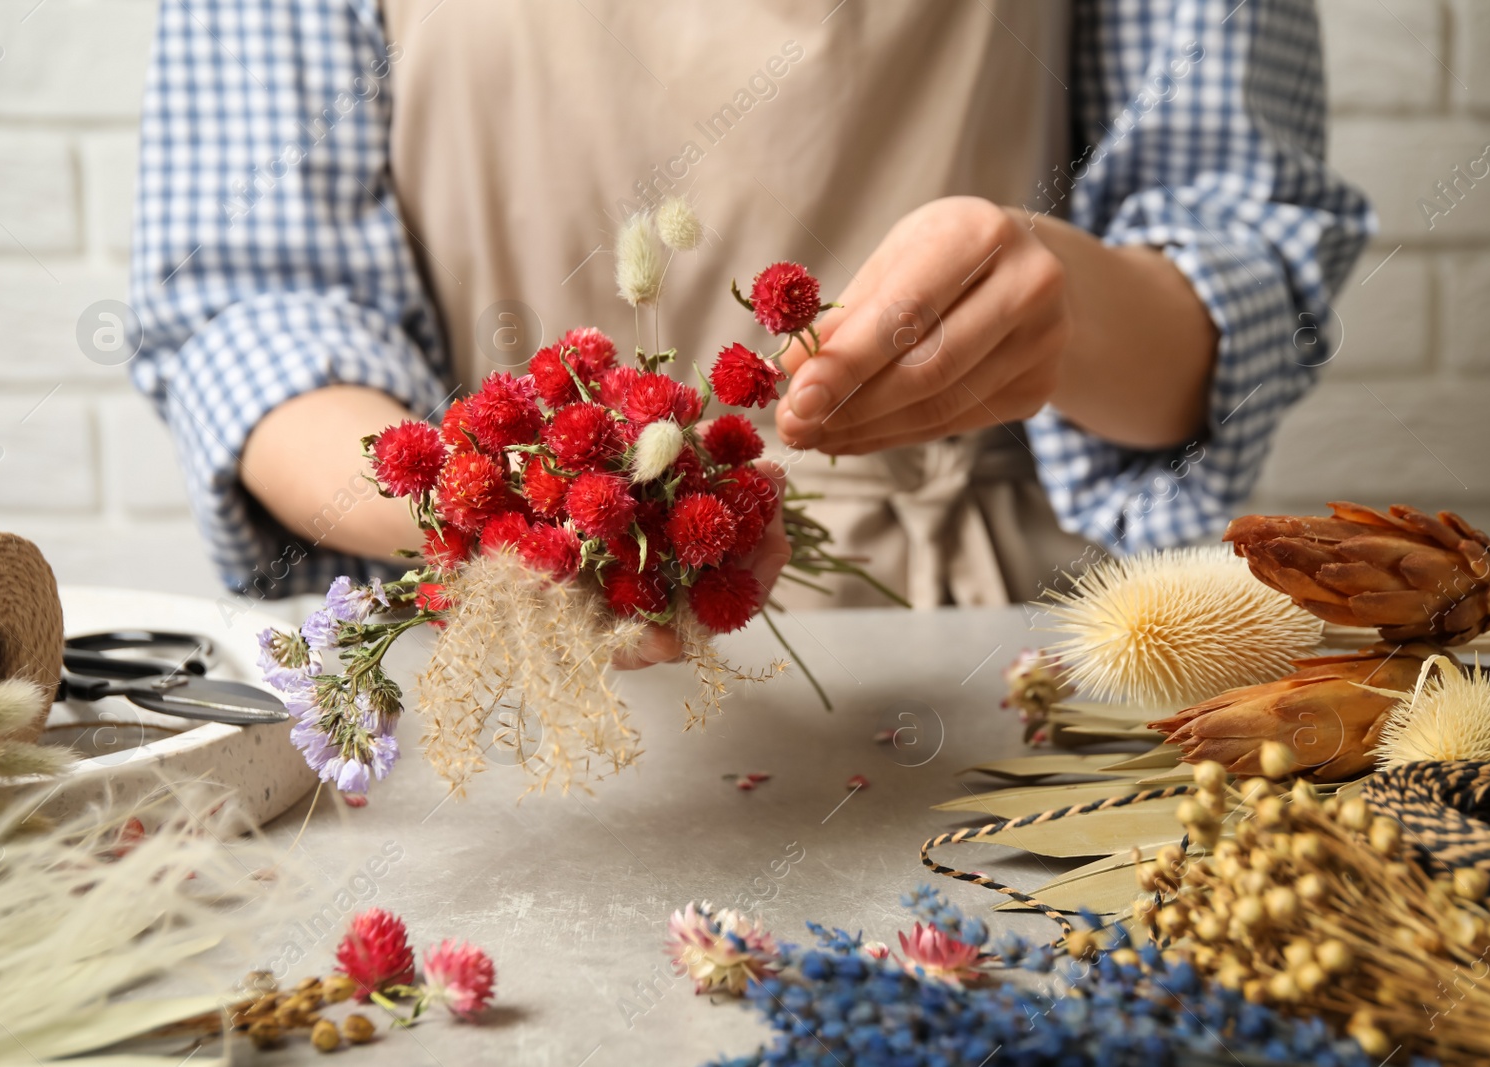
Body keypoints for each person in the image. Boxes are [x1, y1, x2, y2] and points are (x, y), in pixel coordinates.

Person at [130, 0, 1372, 664]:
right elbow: (253, 303)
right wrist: (506, 516)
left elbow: (1242, 245)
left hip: (968, 655)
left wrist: (1061, 302)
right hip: (495, 642)